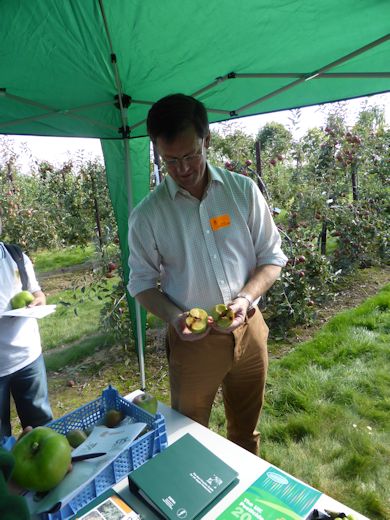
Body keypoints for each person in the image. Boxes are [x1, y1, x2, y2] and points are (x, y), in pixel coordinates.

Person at [127, 94, 287, 454]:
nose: (182, 168)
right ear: (156, 151)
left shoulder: (241, 191)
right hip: (192, 343)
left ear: (207, 140)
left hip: (250, 331)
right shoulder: (149, 215)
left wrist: (245, 300)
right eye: (170, 160)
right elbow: (140, 283)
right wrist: (174, 316)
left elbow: (272, 257)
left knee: (247, 430)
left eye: (190, 155)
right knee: (189, 434)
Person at [0, 208, 53, 439]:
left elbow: (36, 292)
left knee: (43, 430)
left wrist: (39, 301)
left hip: (28, 358)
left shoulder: (15, 255)